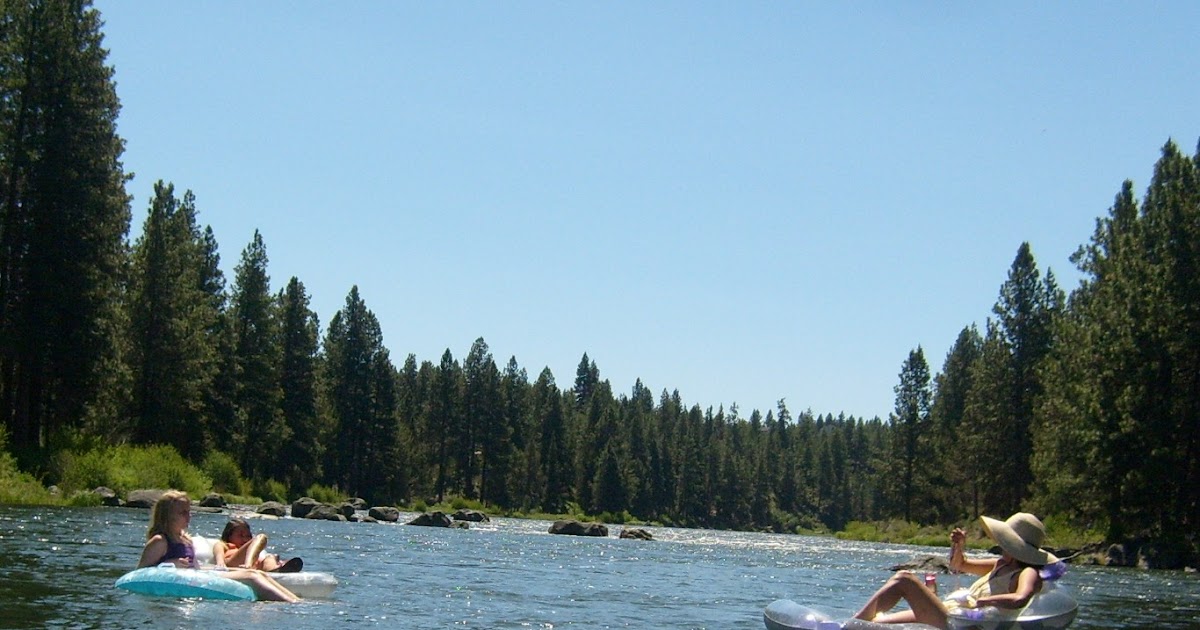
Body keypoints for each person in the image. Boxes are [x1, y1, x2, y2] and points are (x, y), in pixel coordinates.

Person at [852, 512, 1058, 628]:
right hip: (954, 614)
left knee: (904, 579)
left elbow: (1021, 598)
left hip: (963, 626)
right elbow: (959, 565)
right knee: (878, 622)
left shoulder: (1028, 572)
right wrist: (959, 546)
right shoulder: (1001, 564)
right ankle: (853, 625)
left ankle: (848, 627)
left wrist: (986, 601)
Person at [136, 490, 300, 602]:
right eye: (183, 512)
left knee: (254, 572)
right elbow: (140, 573)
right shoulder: (160, 541)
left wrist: (217, 568)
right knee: (252, 577)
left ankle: (297, 601)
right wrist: (171, 564)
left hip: (198, 574)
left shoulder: (185, 539)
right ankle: (290, 604)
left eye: (189, 511)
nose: (189, 516)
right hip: (187, 579)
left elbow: (196, 567)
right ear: (167, 516)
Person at [213, 517, 302, 573]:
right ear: (229, 535)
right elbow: (218, 550)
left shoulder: (252, 550)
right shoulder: (225, 545)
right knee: (261, 537)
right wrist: (220, 562)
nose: (245, 539)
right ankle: (248, 564)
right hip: (234, 563)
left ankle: (275, 570)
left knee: (270, 557)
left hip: (254, 567)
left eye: (248, 536)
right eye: (240, 535)